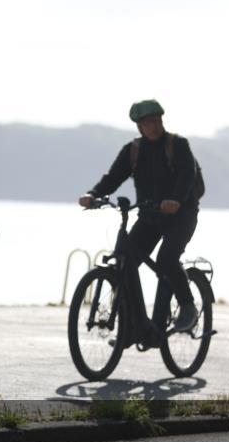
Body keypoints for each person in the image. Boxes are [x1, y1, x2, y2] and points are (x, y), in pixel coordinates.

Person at [79, 99, 204, 336]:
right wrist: (93, 193)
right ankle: (131, 326)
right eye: (147, 123)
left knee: (167, 258)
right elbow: (113, 177)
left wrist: (176, 200)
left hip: (181, 216)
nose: (153, 126)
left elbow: (188, 175)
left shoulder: (178, 145)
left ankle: (187, 307)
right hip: (149, 218)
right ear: (139, 126)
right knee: (125, 262)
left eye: (156, 121)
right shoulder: (133, 150)